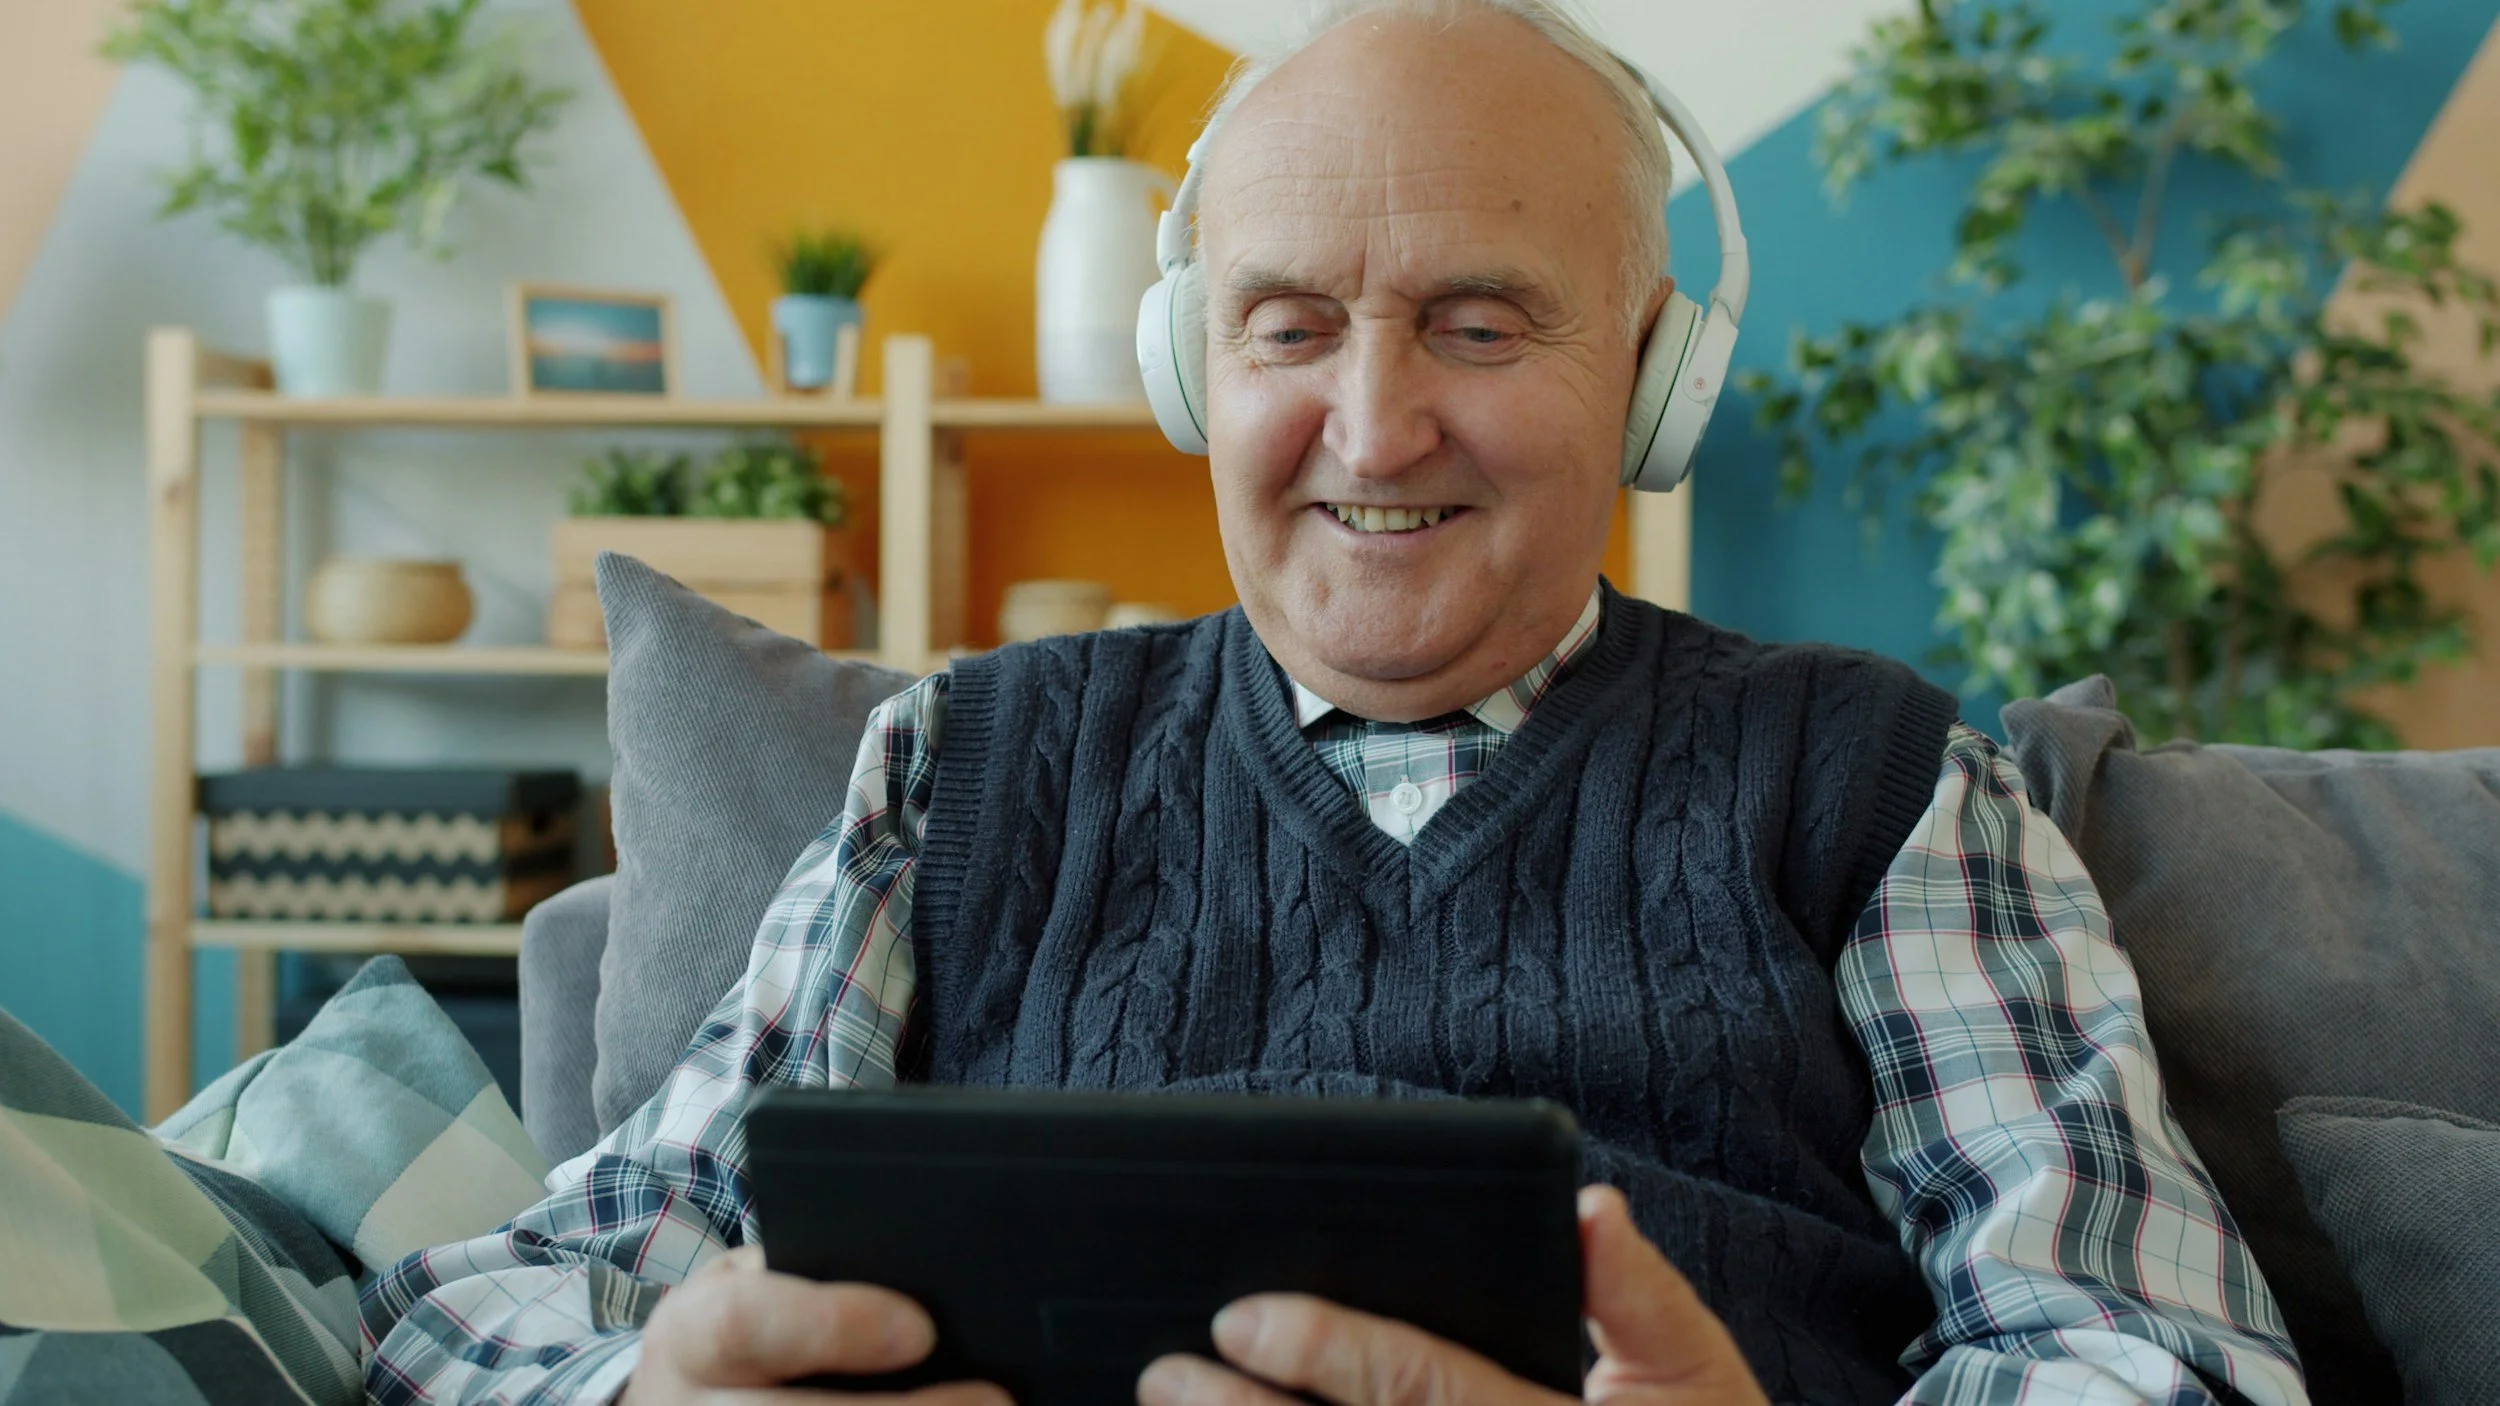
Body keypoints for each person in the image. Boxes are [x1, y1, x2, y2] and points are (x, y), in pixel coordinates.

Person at [361, 2, 2309, 1403]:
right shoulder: (957, 771)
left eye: (1479, 324)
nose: (1372, 426)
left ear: (1648, 376)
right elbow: (482, 1314)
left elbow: (2154, 1359)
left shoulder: (1879, 788)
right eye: (1287, 326)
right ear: (1193, 367)